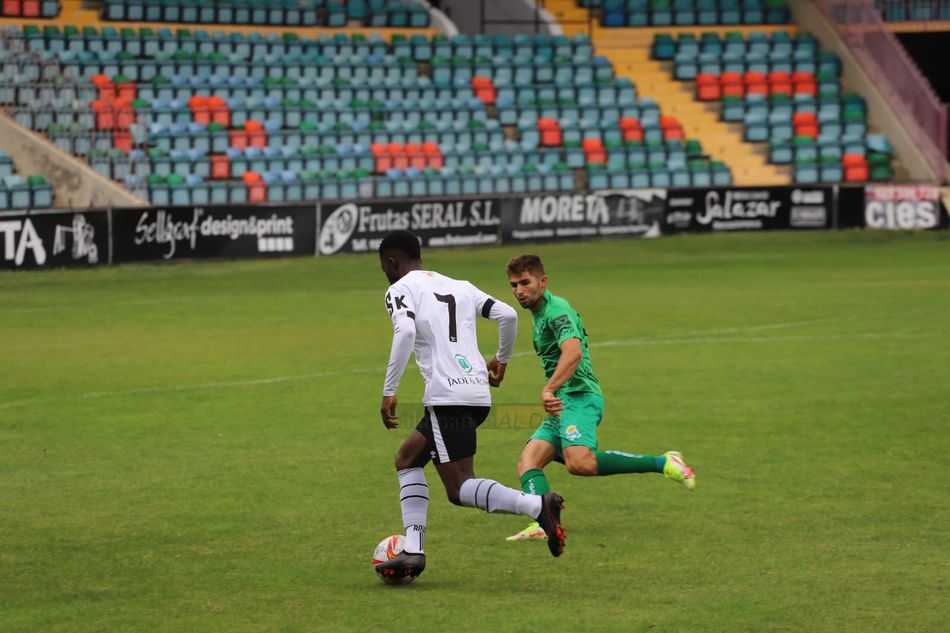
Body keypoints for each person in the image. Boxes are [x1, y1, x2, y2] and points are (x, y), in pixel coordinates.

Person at [374, 231, 566, 581]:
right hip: (476, 393)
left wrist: (390, 390)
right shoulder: (459, 285)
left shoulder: (400, 288)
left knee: (460, 488)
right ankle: (413, 551)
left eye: (383, 267)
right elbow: (507, 315)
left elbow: (403, 332)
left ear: (391, 262)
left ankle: (537, 505)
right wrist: (501, 361)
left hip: (447, 397)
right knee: (407, 459)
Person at [503, 254, 695, 542]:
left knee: (580, 463)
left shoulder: (557, 312)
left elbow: (573, 352)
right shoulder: (540, 312)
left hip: (579, 396)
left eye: (525, 283)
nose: (519, 290)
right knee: (528, 461)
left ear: (543, 282)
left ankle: (664, 462)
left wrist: (548, 389)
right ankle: (544, 521)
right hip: (563, 401)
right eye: (514, 285)